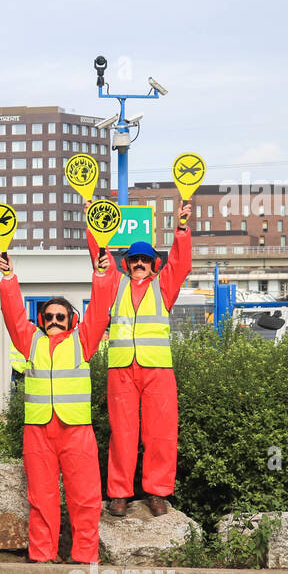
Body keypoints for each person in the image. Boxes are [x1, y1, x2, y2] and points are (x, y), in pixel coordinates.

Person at [0, 251, 116, 563]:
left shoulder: (83, 340)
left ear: (71, 321)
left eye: (59, 317)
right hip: (38, 432)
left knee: (85, 498)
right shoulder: (31, 341)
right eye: (48, 317)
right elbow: (12, 315)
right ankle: (42, 554)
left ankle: (85, 555)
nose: (53, 321)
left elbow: (101, 311)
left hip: (76, 432)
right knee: (41, 498)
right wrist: (9, 279)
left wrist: (102, 277)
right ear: (41, 320)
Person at [86, 201, 192, 517]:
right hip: (122, 370)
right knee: (123, 434)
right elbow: (99, 259)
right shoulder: (114, 285)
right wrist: (94, 222)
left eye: (145, 259)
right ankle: (119, 494)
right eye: (135, 260)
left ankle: (157, 494)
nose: (140, 264)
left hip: (158, 370)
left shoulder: (164, 286)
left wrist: (182, 229)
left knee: (161, 433)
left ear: (153, 263)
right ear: (127, 263)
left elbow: (181, 263)